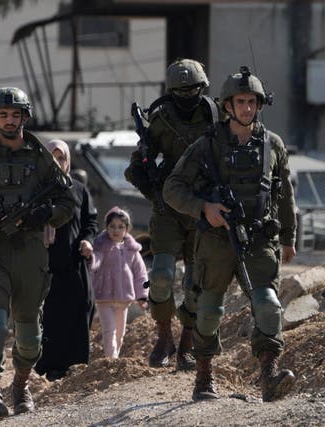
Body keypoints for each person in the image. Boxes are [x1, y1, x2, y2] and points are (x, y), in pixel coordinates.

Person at [162, 66, 297, 402]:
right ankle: (204, 377)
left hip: (258, 240)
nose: (247, 108)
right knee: (208, 310)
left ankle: (269, 375)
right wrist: (203, 208)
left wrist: (288, 236)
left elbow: (285, 194)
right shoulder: (206, 146)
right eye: (241, 101)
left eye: (252, 101)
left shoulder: (273, 145)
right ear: (227, 105)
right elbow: (172, 189)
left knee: (267, 304)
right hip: (216, 242)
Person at [0, 87, 76, 421]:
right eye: (3, 115)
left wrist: (43, 215)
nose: (9, 121)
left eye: (15, 114)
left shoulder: (41, 160)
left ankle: (21, 385)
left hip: (30, 254)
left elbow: (69, 203)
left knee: (29, 335)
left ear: (25, 116)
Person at [124, 58, 221, 370]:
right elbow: (134, 169)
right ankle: (164, 334)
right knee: (162, 276)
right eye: (180, 90)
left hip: (203, 209)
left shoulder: (216, 116)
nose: (187, 95)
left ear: (202, 87)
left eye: (193, 89)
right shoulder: (161, 120)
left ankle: (187, 343)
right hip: (168, 210)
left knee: (196, 283)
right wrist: (156, 193)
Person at [34, 139, 98, 381]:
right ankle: (49, 367)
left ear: (68, 161)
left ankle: (77, 366)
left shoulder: (78, 189)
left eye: (61, 158)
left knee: (80, 311)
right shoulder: (36, 189)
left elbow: (90, 222)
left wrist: (88, 241)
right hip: (45, 266)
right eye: (52, 157)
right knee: (49, 317)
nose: (57, 162)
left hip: (74, 263)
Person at [90, 207, 148, 358]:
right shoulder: (101, 246)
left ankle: (114, 359)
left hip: (124, 300)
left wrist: (142, 295)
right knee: (109, 330)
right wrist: (90, 257)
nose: (116, 230)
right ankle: (112, 359)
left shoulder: (131, 250)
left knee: (120, 334)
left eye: (121, 226)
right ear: (106, 227)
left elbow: (141, 274)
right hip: (105, 298)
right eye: (112, 226)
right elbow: (95, 262)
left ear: (127, 229)